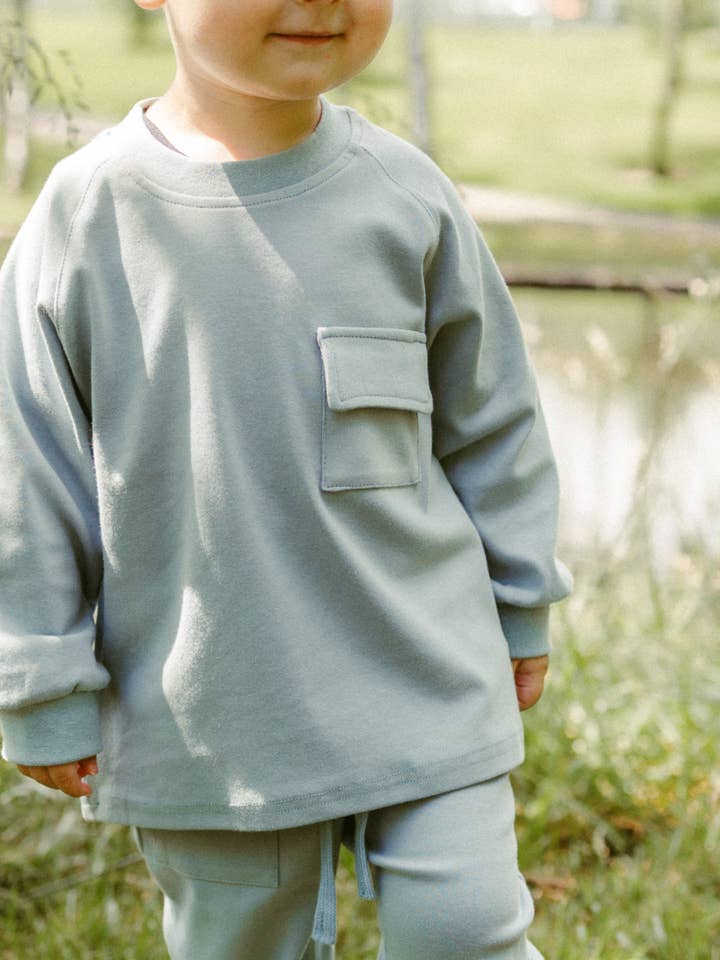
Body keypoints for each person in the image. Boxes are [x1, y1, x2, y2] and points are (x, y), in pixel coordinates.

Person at [0, 1, 573, 957]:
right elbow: (28, 472)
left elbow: (494, 420)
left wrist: (521, 601)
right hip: (215, 712)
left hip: (428, 670)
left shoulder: (406, 196)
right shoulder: (86, 214)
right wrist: (39, 681)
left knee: (465, 930)